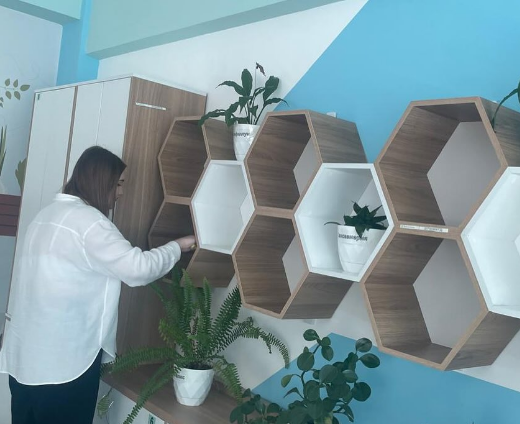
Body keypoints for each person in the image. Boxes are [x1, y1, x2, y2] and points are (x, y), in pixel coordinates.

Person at [0, 146, 195, 424]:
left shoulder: (45, 215)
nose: (120, 192)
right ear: (100, 181)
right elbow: (138, 269)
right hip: (62, 368)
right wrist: (177, 246)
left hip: (24, 363)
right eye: (118, 183)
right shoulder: (89, 222)